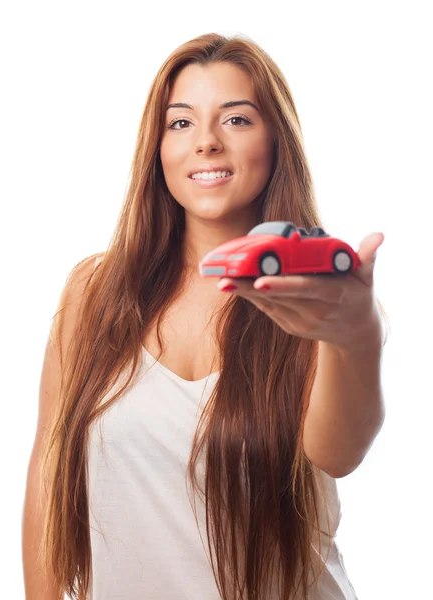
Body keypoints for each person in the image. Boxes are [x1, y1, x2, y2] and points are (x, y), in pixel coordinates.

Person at [22, 32, 387, 600]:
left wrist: (355, 340)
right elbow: (48, 477)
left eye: (237, 120)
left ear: (275, 140)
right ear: (157, 147)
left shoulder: (318, 297)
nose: (207, 143)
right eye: (182, 123)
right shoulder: (93, 293)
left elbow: (338, 455)